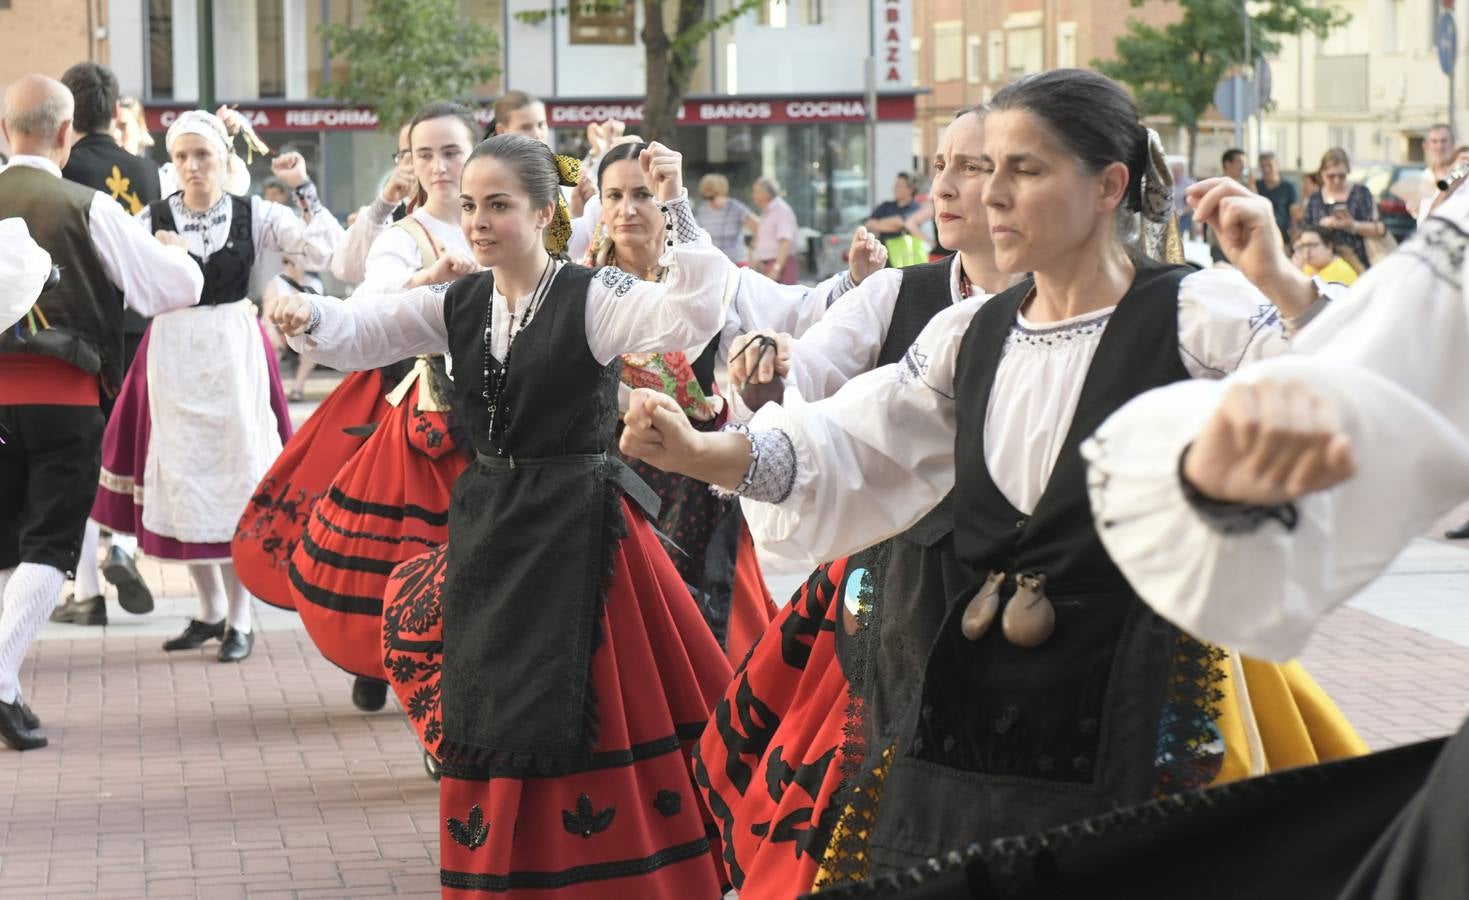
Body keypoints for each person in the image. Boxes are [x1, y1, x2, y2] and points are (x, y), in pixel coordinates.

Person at [620, 69, 1363, 888]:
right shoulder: (969, 331)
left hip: (1132, 680)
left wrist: (1285, 287)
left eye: (1025, 170)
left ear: (1109, 185)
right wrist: (699, 451)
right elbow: (852, 441)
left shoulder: (1197, 313)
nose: (992, 195)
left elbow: (1361, 406)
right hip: (973, 680)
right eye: (986, 170)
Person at [272, 134, 735, 898]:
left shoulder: (592, 296)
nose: (479, 222)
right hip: (492, 531)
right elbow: (364, 331)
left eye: (498, 206)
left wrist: (677, 206)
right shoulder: (459, 300)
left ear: (546, 212)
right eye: (470, 207)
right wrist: (302, 310)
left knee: (588, 708)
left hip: (585, 539)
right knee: (495, 704)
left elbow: (686, 315)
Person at [682, 105, 1021, 898]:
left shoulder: (1098, 304)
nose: (945, 185)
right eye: (940, 164)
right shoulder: (903, 295)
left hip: (1039, 588)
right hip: (902, 577)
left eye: (973, 166)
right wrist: (768, 376)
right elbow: (819, 389)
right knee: (871, 769)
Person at [581, 140, 883, 665]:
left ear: (668, 202)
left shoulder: (716, 280)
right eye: (614, 196)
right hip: (611, 477)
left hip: (699, 480)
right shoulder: (581, 287)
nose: (627, 209)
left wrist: (854, 280)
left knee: (700, 615)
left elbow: (800, 311)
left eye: (642, 195)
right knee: (615, 618)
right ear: (600, 208)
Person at [91, 110, 344, 664]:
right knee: (183, 477)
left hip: (232, 348)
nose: (191, 166)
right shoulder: (153, 216)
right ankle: (207, 611)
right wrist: (155, 257)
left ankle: (239, 617)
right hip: (175, 351)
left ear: (223, 159)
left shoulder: (256, 214)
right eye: (181, 156)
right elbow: (114, 274)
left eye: (201, 155)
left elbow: (326, 250)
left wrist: (303, 188)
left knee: (237, 476)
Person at [0, 75, 204, 750]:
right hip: (62, 394)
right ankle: (0, 684)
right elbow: (174, 288)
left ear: (5, 132)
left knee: (11, 545)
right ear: (65, 134)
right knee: (48, 544)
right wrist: (177, 254)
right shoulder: (85, 204)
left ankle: (7, 688)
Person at [280, 101, 479, 713]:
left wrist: (594, 159)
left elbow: (577, 231)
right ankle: (403, 668)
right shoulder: (404, 233)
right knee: (421, 551)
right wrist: (429, 280)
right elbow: (367, 294)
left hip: (518, 411)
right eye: (426, 155)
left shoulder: (518, 211)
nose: (440, 166)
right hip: (437, 415)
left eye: (452, 151)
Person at [50, 61, 165, 627]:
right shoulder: (147, 171)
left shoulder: (61, 168)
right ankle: (123, 547)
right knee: (130, 450)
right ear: (117, 112)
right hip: (141, 331)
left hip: (82, 333)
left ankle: (87, 590)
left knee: (83, 458)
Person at [330, 122, 419, 286]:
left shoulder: (467, 212)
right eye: (406, 154)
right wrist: (383, 205)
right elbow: (346, 268)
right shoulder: (388, 213)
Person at [1305, 147, 1385, 271]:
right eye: (1331, 176)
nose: (1337, 181)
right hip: (1324, 267)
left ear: (1348, 172)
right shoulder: (1315, 199)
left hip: (1359, 266)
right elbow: (1305, 232)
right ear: (1322, 173)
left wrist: (1353, 225)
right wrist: (1321, 227)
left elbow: (1380, 229)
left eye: (1342, 176)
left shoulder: (1361, 194)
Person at [865, 172, 927, 266]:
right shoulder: (886, 205)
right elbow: (870, 224)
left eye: (899, 185)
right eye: (895, 185)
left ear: (911, 189)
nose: (895, 188)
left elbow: (900, 223)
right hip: (884, 261)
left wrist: (880, 223)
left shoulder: (915, 208)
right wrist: (893, 224)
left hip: (908, 260)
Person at [695, 172, 758, 265]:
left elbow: (758, 226)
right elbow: (697, 234)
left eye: (710, 189)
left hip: (737, 261)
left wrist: (752, 248)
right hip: (714, 261)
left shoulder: (735, 207)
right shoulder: (703, 209)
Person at [751, 176, 800, 284]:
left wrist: (777, 268)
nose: (752, 195)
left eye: (755, 191)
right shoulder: (767, 211)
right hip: (768, 265)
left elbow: (785, 241)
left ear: (765, 194)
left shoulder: (781, 210)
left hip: (781, 267)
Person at [1291, 225, 1358, 286]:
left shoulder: (1342, 272)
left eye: (1311, 245)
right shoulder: (1307, 266)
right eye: (1304, 246)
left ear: (1329, 246)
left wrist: (1297, 273)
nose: (1306, 251)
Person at [1416, 122, 1455, 223]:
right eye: (1434, 141)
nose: (1439, 146)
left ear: (1453, 144)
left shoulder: (1463, 176)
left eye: (1444, 141)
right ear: (1426, 146)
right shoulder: (1424, 177)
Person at [1255, 151, 1296, 243]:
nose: (1266, 169)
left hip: (1283, 235)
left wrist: (1293, 231)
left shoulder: (1288, 187)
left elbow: (1293, 212)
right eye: (1263, 166)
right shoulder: (1256, 186)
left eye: (1269, 165)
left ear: (1277, 166)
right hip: (1261, 235)